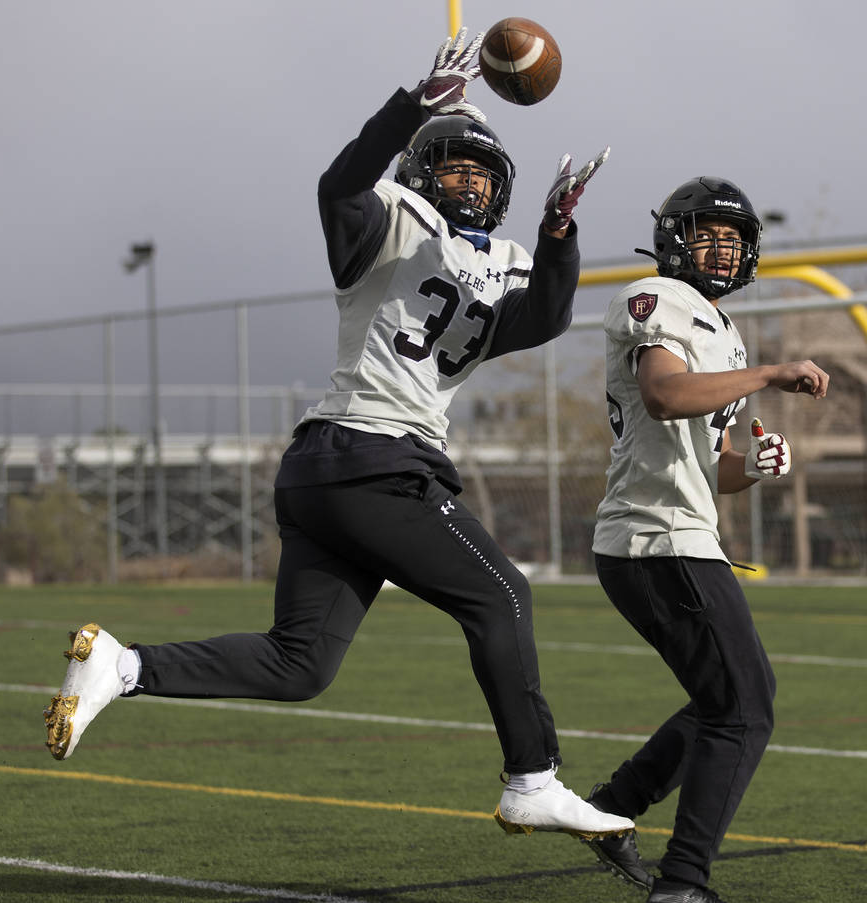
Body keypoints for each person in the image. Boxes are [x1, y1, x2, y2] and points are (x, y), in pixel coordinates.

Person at [43, 28, 631, 841]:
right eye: (453, 165)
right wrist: (405, 109)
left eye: (480, 171)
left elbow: (544, 319)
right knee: (503, 596)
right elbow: (339, 183)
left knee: (300, 664)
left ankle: (125, 664)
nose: (466, 181)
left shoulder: (506, 257)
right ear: (423, 171)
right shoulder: (392, 217)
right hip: (373, 457)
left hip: (329, 474)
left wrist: (561, 239)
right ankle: (532, 778)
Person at [579, 177, 830, 902]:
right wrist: (774, 372)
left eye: (733, 239)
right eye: (706, 235)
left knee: (734, 696)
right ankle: (682, 882)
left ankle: (612, 810)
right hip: (657, 540)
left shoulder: (720, 327)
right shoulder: (656, 298)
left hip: (675, 535)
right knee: (742, 706)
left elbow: (709, 465)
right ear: (673, 239)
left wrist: (748, 466)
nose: (720, 249)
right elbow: (663, 395)